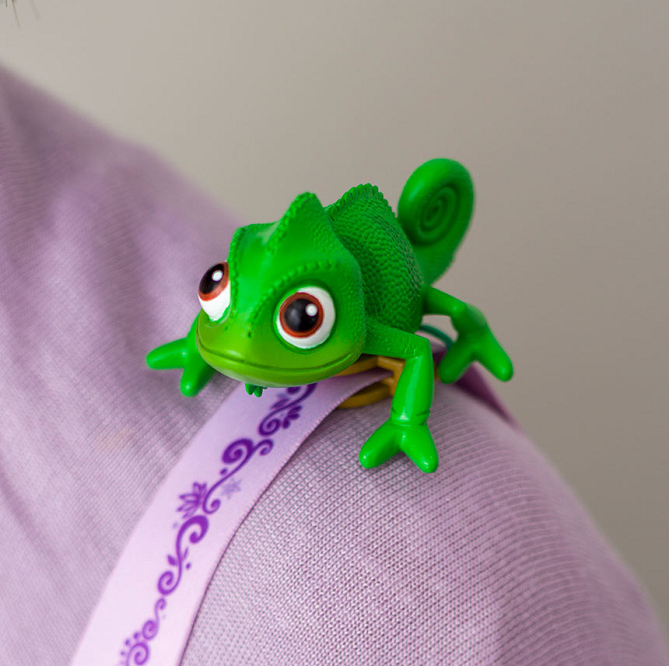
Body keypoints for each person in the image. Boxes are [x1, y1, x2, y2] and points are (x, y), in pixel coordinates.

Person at [0, 64, 666, 665]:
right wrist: (201, 344)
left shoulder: (422, 587)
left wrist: (409, 416)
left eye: (301, 319)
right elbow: (237, 320)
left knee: (436, 309)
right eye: (213, 288)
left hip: (379, 285)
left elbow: (413, 347)